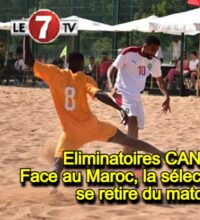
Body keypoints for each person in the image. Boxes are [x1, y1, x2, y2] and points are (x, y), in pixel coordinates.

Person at [23, 36, 166, 175]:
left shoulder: (53, 74)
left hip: (70, 134)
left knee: (57, 167)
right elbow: (99, 94)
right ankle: (160, 155)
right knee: (129, 139)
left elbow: (28, 60)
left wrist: (26, 35)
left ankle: (51, 192)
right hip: (93, 127)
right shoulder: (85, 79)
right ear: (80, 64)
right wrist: (118, 108)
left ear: (67, 63)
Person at [107, 35, 171, 141]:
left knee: (136, 126)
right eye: (152, 49)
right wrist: (111, 87)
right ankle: (129, 155)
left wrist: (167, 96)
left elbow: (159, 80)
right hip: (121, 93)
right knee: (132, 121)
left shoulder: (155, 61)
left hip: (136, 96)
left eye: (156, 51)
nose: (154, 53)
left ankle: (130, 151)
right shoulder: (128, 52)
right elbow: (111, 69)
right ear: (145, 46)